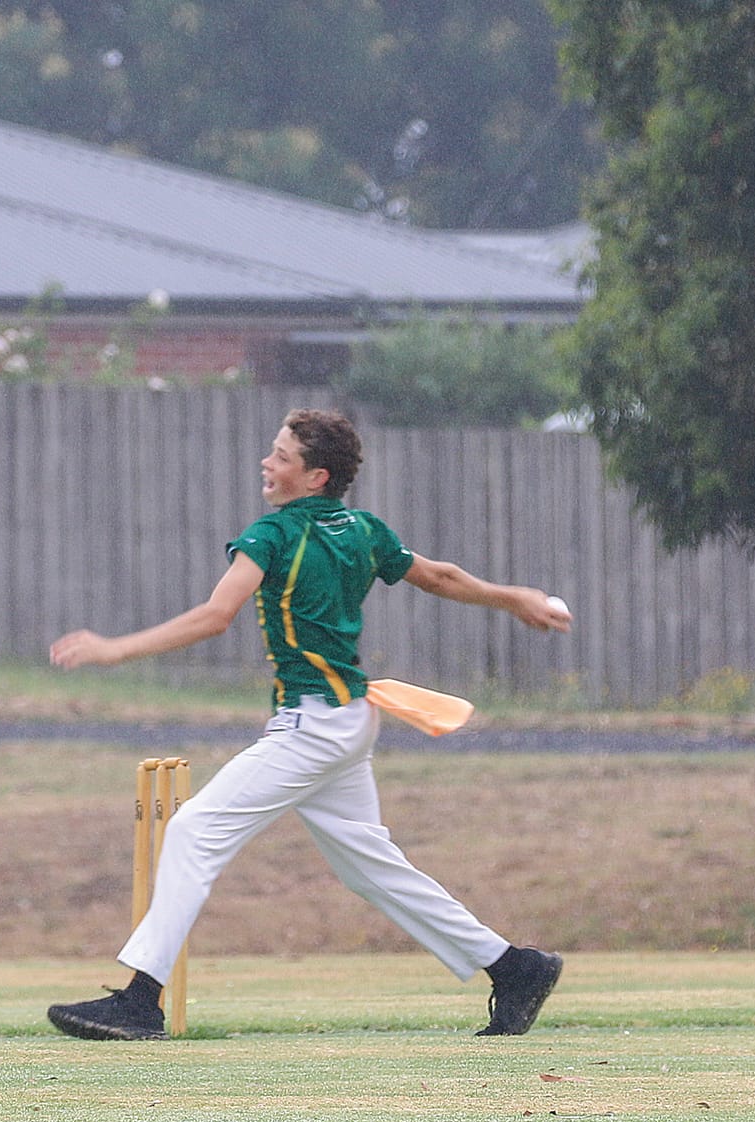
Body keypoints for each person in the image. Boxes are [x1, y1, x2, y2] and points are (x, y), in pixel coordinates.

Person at [45, 408, 571, 1041]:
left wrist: (113, 649)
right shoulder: (363, 530)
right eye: (272, 451)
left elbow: (216, 616)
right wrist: (513, 596)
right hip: (350, 718)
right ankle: (514, 967)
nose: (268, 463)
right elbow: (439, 577)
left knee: (192, 830)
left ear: (316, 475)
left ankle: (140, 1000)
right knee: (368, 867)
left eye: (282, 456)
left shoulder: (274, 535)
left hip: (314, 726)